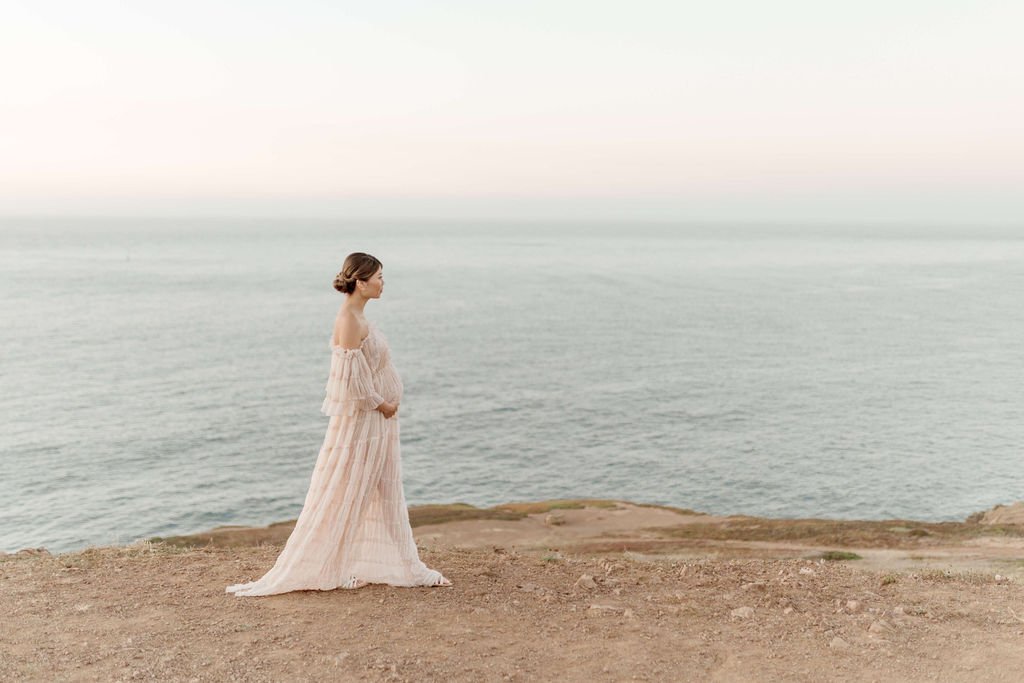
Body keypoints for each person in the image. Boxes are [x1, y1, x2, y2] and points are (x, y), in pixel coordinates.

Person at [226, 252, 451, 596]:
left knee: (384, 490)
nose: (382, 283)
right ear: (360, 282)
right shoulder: (348, 320)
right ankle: (339, 567)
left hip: (378, 422)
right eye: (378, 277)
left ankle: (402, 565)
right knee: (350, 490)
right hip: (365, 423)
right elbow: (350, 383)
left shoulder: (358, 315)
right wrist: (384, 404)